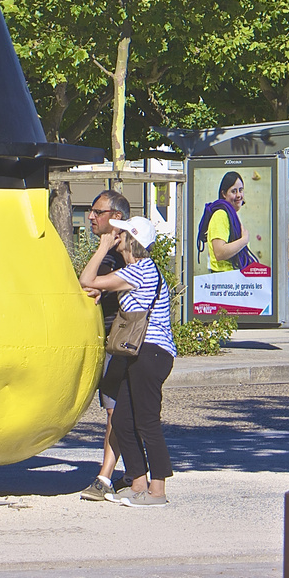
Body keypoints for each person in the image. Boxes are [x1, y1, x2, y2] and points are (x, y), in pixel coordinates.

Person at [81, 214, 174, 507]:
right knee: (122, 419)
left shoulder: (139, 271)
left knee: (146, 422)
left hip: (151, 351)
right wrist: (100, 288)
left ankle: (156, 491)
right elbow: (100, 286)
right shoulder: (137, 271)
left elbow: (86, 279)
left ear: (132, 241)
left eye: (121, 234)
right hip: (140, 352)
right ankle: (137, 482)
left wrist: (102, 248)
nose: (115, 236)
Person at [76, 190, 131, 502]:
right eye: (91, 210)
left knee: (115, 412)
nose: (91, 217)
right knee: (120, 412)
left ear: (117, 218)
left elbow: (87, 282)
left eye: (98, 211)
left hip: (121, 344)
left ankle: (105, 477)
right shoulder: (116, 253)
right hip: (112, 343)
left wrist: (102, 248)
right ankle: (132, 473)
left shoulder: (121, 255)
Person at [198, 171, 260, 273]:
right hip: (224, 280)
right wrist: (244, 240)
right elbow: (220, 252)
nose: (239, 195)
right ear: (224, 194)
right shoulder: (220, 215)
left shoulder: (231, 215)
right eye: (234, 191)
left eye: (241, 190)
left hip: (232, 278)